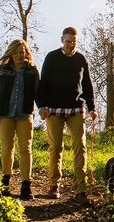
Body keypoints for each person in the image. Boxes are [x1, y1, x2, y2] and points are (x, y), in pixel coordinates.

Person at [35, 26, 97, 201]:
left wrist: (92, 108)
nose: (71, 45)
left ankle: (80, 190)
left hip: (76, 109)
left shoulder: (81, 59)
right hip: (54, 109)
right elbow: (43, 83)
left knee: (80, 146)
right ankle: (54, 186)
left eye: (74, 42)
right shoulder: (52, 57)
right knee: (56, 147)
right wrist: (41, 106)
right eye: (68, 41)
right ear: (62, 40)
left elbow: (87, 85)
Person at [0, 39, 39, 200]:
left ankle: (26, 185)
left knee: (26, 149)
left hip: (25, 114)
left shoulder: (32, 70)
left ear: (26, 53)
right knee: (7, 148)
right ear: (11, 53)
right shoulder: (3, 70)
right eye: (16, 52)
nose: (19, 55)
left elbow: (38, 93)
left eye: (22, 52)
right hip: (5, 114)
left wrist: (43, 108)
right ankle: (5, 180)